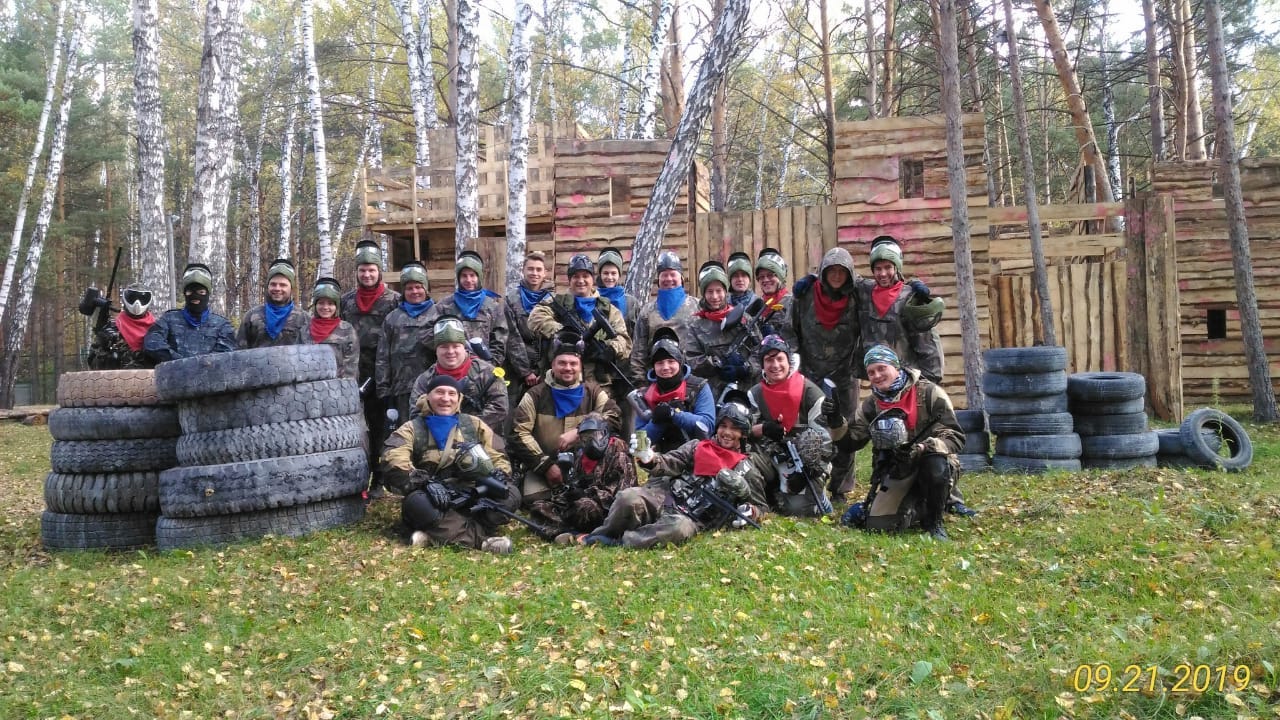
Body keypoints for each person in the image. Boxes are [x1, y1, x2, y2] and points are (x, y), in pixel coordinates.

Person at [583, 402, 765, 549]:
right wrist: (650, 458)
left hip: (693, 518)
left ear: (743, 434)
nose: (727, 432)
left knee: (677, 529)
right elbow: (669, 462)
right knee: (628, 496)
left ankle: (622, 542)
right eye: (723, 426)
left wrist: (751, 510)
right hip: (666, 498)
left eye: (734, 429)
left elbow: (760, 506)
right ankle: (602, 534)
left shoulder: (747, 468)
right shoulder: (698, 446)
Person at [382, 375, 521, 554]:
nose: (445, 398)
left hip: (474, 494)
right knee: (416, 504)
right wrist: (424, 482)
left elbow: (497, 453)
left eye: (451, 393)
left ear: (459, 398)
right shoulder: (412, 428)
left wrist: (499, 473)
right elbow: (393, 457)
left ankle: (436, 535)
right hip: (435, 498)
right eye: (439, 392)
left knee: (510, 493)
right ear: (427, 397)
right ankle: (484, 542)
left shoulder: (473, 424)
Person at [840, 345, 963, 541]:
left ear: (895, 367)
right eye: (871, 372)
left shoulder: (929, 392)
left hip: (931, 462)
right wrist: (835, 423)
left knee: (935, 465)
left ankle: (934, 522)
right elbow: (851, 442)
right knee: (879, 525)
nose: (877, 375)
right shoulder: (871, 404)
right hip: (897, 469)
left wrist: (923, 447)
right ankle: (922, 505)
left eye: (882, 368)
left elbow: (955, 436)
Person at [509, 331, 622, 508]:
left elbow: (613, 417)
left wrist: (579, 432)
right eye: (562, 363)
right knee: (534, 499)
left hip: (586, 464)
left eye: (573, 363)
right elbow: (518, 432)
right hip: (546, 464)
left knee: (592, 497)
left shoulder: (593, 391)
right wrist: (546, 466)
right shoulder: (535, 395)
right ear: (552, 365)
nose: (568, 368)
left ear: (580, 366)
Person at [789, 247, 862, 498]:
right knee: (809, 429)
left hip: (844, 375)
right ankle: (810, 481)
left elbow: (881, 288)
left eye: (843, 271)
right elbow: (792, 330)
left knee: (844, 432)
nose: (837, 275)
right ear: (823, 272)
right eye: (832, 270)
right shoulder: (805, 296)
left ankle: (841, 487)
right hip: (810, 374)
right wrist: (794, 365)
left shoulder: (857, 295)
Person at [747, 335, 842, 517]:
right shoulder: (755, 393)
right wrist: (764, 428)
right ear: (762, 365)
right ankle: (763, 502)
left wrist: (810, 470)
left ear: (788, 360)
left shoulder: (810, 392)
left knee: (797, 510)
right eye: (769, 360)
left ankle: (817, 498)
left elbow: (826, 442)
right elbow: (742, 430)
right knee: (744, 462)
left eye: (779, 358)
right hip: (772, 456)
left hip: (807, 461)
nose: (775, 365)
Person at [341, 239, 402, 491]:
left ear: (379, 272)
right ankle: (352, 478)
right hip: (351, 373)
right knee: (351, 427)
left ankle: (379, 478)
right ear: (356, 272)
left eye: (372, 270)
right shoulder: (345, 301)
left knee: (380, 428)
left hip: (381, 373)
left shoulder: (393, 300)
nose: (367, 274)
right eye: (362, 270)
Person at [526, 413, 638, 544]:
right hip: (580, 506)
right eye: (585, 437)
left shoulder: (619, 454)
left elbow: (621, 497)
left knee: (584, 507)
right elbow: (574, 484)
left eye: (594, 435)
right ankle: (570, 534)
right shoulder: (581, 455)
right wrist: (568, 492)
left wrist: (585, 494)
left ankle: (569, 533)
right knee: (539, 507)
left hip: (609, 512)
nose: (590, 441)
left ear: (605, 433)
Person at [527, 253, 631, 390]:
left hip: (598, 385)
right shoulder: (558, 302)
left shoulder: (608, 309)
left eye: (585, 276)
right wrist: (565, 334)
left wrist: (610, 349)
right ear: (569, 280)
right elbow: (535, 318)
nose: (580, 280)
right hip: (561, 383)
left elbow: (624, 340)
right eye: (576, 276)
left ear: (592, 279)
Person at [853, 236, 944, 382]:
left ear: (897, 267)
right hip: (878, 379)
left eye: (888, 267)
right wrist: (813, 278)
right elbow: (840, 274)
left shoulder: (910, 298)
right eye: (878, 268)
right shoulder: (864, 291)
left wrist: (930, 383)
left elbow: (927, 345)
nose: (883, 274)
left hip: (906, 379)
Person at [408, 315, 509, 438]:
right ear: (436, 350)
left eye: (456, 346)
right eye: (444, 347)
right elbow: (416, 414)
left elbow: (499, 409)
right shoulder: (425, 380)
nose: (450, 352)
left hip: (484, 439)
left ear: (464, 347)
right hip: (438, 441)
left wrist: (463, 430)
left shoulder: (488, 373)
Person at [633, 327, 715, 453]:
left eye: (671, 361)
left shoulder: (699, 387)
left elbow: (707, 425)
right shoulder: (645, 396)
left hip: (698, 455)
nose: (665, 367)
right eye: (660, 363)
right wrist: (657, 422)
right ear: (653, 366)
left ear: (680, 362)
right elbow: (639, 444)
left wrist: (675, 415)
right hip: (662, 461)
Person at [686, 260, 761, 399]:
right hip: (711, 395)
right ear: (703, 293)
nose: (715, 297)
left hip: (747, 392)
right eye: (710, 291)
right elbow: (692, 360)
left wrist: (746, 368)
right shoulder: (695, 324)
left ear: (726, 291)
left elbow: (760, 350)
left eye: (719, 291)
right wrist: (717, 364)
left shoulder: (744, 319)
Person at [375, 261, 435, 423]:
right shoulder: (393, 318)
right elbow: (382, 358)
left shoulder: (439, 314)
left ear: (426, 288)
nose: (414, 291)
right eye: (409, 288)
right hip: (401, 391)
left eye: (418, 287)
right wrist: (384, 391)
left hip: (434, 389)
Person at [628, 251, 699, 383]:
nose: (668, 279)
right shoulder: (647, 312)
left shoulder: (697, 306)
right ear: (658, 280)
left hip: (690, 380)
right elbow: (638, 352)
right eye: (664, 275)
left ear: (682, 278)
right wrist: (641, 384)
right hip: (657, 381)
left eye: (673, 274)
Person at [428, 250, 509, 366]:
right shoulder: (444, 306)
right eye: (464, 276)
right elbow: (429, 334)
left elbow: (500, 340)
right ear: (458, 278)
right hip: (452, 368)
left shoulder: (492, 306)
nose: (468, 280)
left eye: (472, 275)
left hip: (483, 369)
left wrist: (491, 365)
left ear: (479, 277)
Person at [144, 263, 237, 362]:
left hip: (209, 376)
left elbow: (226, 353)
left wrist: (199, 365)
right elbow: (152, 343)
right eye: (190, 292)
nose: (195, 296)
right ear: (185, 294)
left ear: (208, 293)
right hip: (175, 374)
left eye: (201, 292)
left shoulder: (222, 325)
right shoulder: (168, 319)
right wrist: (180, 362)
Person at [503, 251, 552, 413]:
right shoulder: (511, 299)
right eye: (530, 269)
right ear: (523, 271)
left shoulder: (553, 299)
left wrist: (543, 370)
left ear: (545, 273)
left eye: (539, 269)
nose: (534, 273)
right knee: (515, 413)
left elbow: (554, 337)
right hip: (516, 371)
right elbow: (511, 337)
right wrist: (525, 372)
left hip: (545, 370)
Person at [237, 258, 309, 348]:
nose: (277, 288)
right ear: (268, 286)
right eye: (273, 284)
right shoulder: (251, 317)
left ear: (292, 288)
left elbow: (311, 355)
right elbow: (239, 352)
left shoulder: (304, 319)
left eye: (283, 285)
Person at [87, 284, 157, 369]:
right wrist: (104, 347)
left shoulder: (158, 328)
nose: (137, 303)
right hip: (117, 380)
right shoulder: (112, 327)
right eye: (132, 298)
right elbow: (92, 363)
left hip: (151, 380)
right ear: (125, 299)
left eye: (142, 299)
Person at [303, 277, 359, 379]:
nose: (325, 307)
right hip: (310, 388)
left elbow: (351, 368)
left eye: (330, 303)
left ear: (336, 306)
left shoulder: (347, 330)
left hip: (338, 390)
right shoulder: (305, 330)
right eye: (321, 303)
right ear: (315, 305)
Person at [754, 247, 795, 347]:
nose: (766, 280)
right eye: (761, 277)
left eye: (770, 275)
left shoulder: (793, 304)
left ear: (780, 277)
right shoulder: (757, 308)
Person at [594, 247, 640, 337]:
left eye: (613, 273)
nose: (610, 277)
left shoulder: (631, 303)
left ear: (619, 274)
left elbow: (638, 336)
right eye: (606, 273)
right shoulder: (593, 300)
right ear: (600, 274)